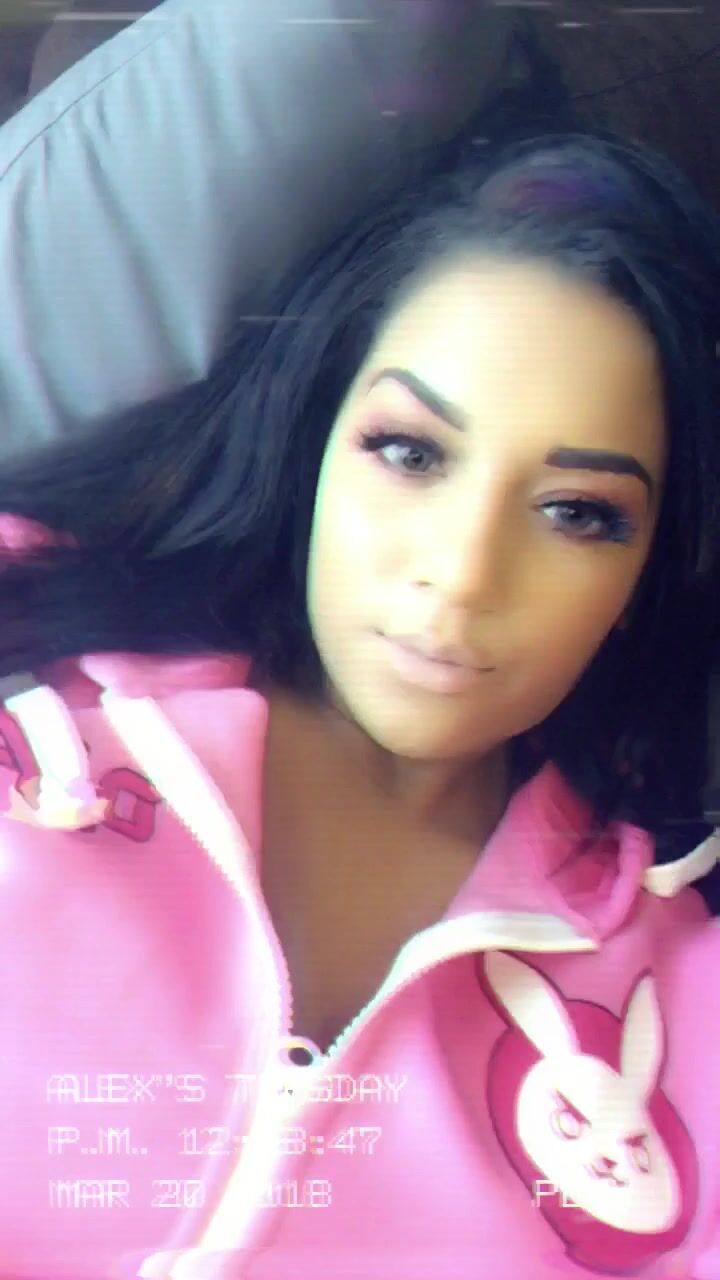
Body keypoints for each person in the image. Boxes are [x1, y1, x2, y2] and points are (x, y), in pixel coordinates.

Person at [1, 126, 720, 1280]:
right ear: (316, 441)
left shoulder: (689, 997)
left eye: (578, 511)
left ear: (648, 575)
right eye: (411, 452)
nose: (463, 574)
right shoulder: (33, 667)